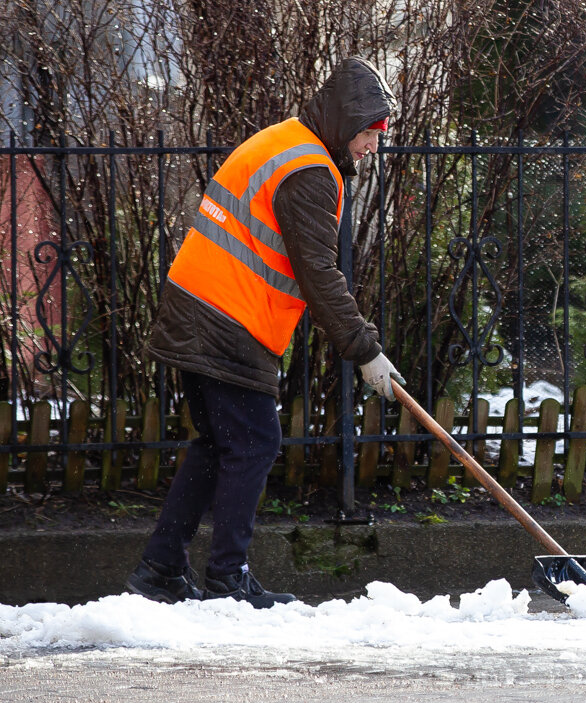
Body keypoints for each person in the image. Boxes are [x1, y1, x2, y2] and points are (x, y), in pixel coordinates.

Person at [125, 58, 404, 608]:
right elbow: (319, 274)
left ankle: (160, 569)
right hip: (228, 318)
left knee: (217, 445)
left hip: (196, 306)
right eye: (371, 136)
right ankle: (227, 581)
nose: (372, 149)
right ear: (349, 124)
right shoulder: (310, 171)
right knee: (254, 444)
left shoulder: (285, 142)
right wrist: (365, 349)